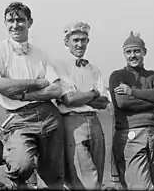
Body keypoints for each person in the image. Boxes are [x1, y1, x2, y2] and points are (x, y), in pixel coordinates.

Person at [0, 1, 64, 189]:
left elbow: (56, 89)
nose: (15, 25)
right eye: (10, 20)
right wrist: (36, 83)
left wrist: (23, 95)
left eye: (20, 20)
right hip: (18, 119)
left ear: (30, 22)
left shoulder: (40, 54)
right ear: (5, 23)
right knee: (20, 167)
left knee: (53, 174)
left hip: (49, 116)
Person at [109, 31, 154, 190]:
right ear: (124, 54)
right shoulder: (117, 76)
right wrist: (153, 101)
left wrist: (133, 92)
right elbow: (123, 103)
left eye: (137, 51)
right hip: (131, 134)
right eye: (128, 52)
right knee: (139, 185)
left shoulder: (153, 75)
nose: (133, 55)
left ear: (144, 52)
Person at [53, 22, 110, 190]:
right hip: (73, 122)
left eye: (84, 40)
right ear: (66, 42)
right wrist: (93, 93)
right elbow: (69, 99)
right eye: (76, 40)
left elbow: (104, 102)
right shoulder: (60, 66)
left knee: (97, 175)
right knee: (84, 176)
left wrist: (82, 97)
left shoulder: (94, 69)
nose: (80, 44)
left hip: (95, 122)